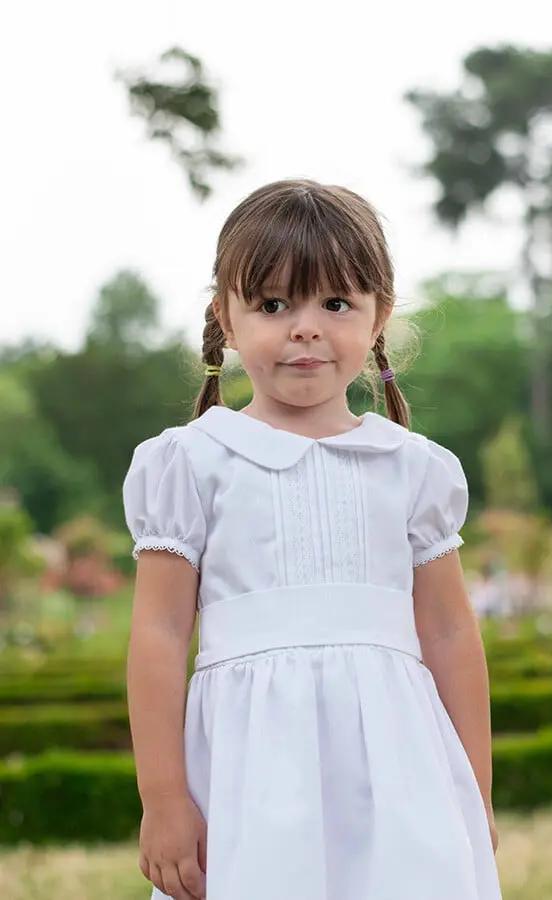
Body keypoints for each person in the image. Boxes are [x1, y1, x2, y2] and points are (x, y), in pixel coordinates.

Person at [122, 178, 503, 900]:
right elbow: (160, 633)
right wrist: (165, 799)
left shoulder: (414, 470)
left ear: (378, 315)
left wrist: (473, 790)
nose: (305, 327)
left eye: (335, 304)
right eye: (273, 304)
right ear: (225, 320)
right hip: (249, 774)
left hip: (402, 772)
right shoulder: (191, 462)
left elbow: (451, 634)